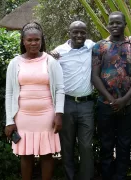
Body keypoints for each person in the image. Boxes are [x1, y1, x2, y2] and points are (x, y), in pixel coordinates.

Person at [5, 22, 64, 180]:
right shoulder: (15, 63)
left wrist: (59, 114)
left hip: (46, 115)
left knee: (46, 154)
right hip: (23, 116)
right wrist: (9, 120)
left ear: (41, 40)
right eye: (29, 40)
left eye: (37, 40)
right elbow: (9, 93)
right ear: (23, 41)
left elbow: (59, 89)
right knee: (26, 154)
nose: (33, 43)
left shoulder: (50, 61)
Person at [91, 11, 131, 180]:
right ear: (108, 25)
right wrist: (111, 99)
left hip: (129, 104)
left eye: (118, 23)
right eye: (111, 23)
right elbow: (95, 76)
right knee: (106, 144)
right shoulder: (99, 47)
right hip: (105, 104)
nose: (114, 26)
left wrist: (124, 99)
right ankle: (107, 176)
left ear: (124, 24)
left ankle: (120, 176)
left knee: (124, 144)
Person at [50, 21, 95, 180]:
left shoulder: (91, 46)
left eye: (82, 32)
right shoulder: (59, 52)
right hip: (66, 104)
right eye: (75, 32)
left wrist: (130, 38)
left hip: (87, 105)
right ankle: (70, 177)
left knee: (86, 146)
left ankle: (86, 177)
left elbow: (110, 42)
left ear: (86, 33)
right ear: (69, 32)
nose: (79, 35)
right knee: (67, 146)